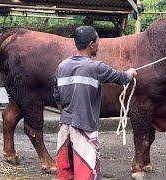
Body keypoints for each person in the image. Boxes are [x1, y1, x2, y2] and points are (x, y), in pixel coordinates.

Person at [53, 26, 137, 180]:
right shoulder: (96, 67)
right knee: (86, 171)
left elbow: (57, 98)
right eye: (98, 40)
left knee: (65, 171)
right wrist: (130, 73)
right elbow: (121, 78)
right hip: (85, 126)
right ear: (92, 44)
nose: (99, 43)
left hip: (65, 125)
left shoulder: (62, 66)